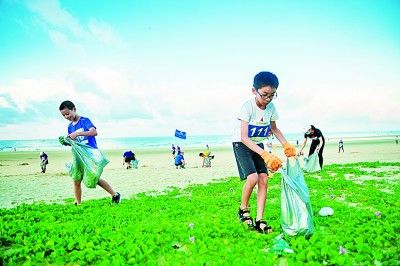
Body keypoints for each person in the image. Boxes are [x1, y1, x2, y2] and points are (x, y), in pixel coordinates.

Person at [232, 71, 296, 234]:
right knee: (253, 177)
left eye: (272, 95)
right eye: (265, 95)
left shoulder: (271, 108)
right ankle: (243, 209)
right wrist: (265, 154)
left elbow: (274, 128)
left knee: (264, 179)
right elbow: (244, 137)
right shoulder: (247, 107)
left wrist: (286, 145)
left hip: (257, 144)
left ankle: (260, 219)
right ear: (254, 91)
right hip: (242, 144)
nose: (268, 99)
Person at [59, 100, 121, 205]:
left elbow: (94, 132)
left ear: (74, 109)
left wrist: (77, 133)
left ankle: (115, 194)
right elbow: (75, 142)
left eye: (67, 113)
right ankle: (78, 203)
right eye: (63, 115)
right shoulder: (70, 127)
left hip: (90, 154)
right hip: (78, 155)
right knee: (76, 178)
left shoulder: (84, 121)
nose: (66, 117)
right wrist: (66, 142)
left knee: (94, 178)